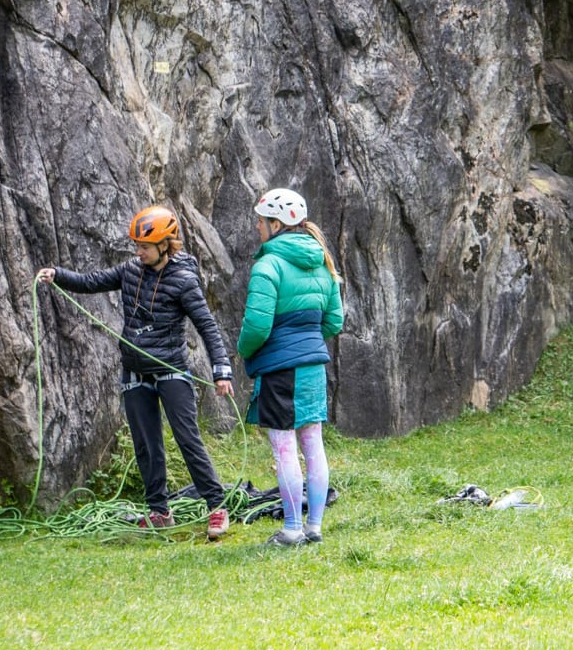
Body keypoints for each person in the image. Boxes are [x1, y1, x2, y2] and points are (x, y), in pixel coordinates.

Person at [36, 205, 235, 537]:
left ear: (165, 245)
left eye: (144, 246)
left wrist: (221, 370)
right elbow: (91, 282)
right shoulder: (130, 270)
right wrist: (58, 274)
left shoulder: (184, 282)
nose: (138, 251)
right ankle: (159, 511)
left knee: (188, 440)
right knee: (146, 444)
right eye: (137, 246)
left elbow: (208, 327)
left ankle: (216, 507)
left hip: (171, 370)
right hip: (135, 373)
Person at [238, 189, 344, 546]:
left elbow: (256, 327)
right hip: (314, 366)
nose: (257, 226)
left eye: (261, 220)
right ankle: (314, 527)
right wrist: (307, 341)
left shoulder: (268, 266)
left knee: (284, 448)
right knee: (313, 443)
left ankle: (291, 530)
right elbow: (334, 321)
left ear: (276, 224)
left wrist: (245, 352)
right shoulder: (321, 261)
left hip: (280, 370)